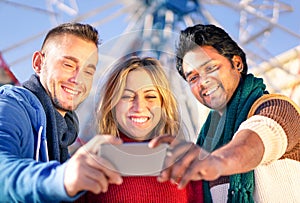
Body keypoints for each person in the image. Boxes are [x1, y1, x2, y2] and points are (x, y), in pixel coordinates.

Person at [149, 24, 300, 203]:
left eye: (211, 68)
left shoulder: (277, 108)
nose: (203, 82)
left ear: (237, 64)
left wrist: (218, 162)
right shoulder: (207, 141)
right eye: (193, 78)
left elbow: (256, 140)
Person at [0, 22, 123, 202]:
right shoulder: (11, 104)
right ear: (38, 63)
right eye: (68, 64)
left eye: (88, 71)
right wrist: (63, 178)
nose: (78, 79)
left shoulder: (65, 134)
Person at [75, 56, 203, 202]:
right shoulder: (89, 162)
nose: (139, 107)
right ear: (112, 104)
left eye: (150, 96)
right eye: (127, 96)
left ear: (163, 104)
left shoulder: (186, 162)